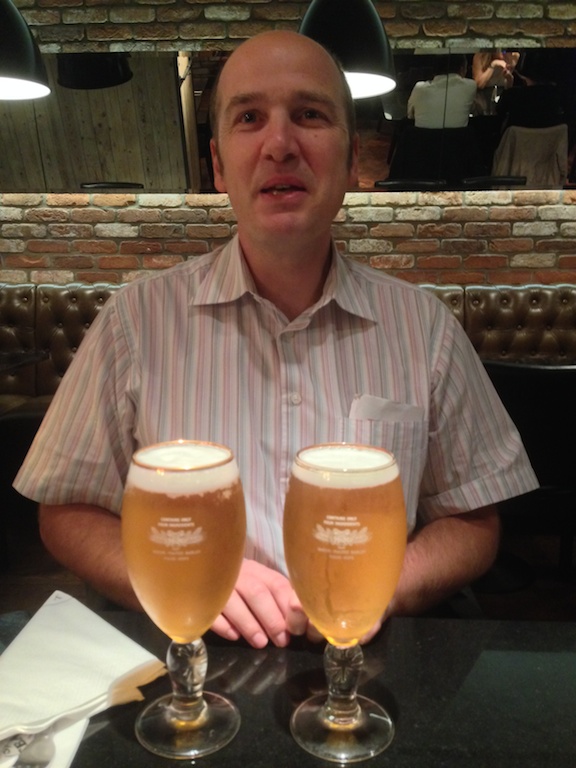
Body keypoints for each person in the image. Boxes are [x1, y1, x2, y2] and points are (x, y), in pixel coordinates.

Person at [14, 30, 538, 650]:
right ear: (218, 166)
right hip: (190, 651)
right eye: (249, 118)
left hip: (365, 659)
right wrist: (184, 580)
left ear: (351, 161)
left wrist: (382, 587)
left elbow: (473, 517)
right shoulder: (134, 321)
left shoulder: (425, 329)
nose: (280, 144)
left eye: (310, 115)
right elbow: (65, 510)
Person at [406, 54, 477, 128]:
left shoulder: (419, 88)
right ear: (462, 69)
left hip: (422, 135)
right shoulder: (470, 86)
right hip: (459, 135)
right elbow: (473, 110)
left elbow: (410, 115)